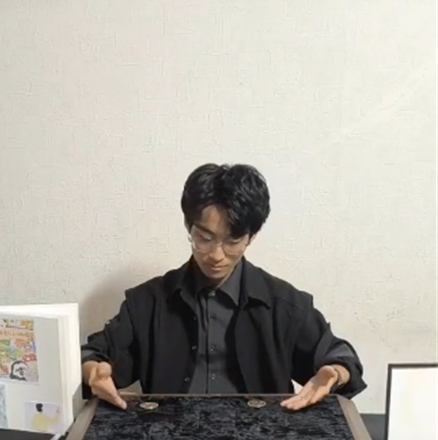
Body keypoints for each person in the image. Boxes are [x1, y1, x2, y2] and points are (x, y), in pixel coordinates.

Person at [81, 163, 366, 411]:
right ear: (189, 227)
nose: (216, 255)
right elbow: (93, 353)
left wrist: (334, 373)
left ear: (251, 237)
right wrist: (93, 371)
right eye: (204, 238)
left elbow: (341, 357)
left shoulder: (284, 304)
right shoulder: (148, 302)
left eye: (232, 241)